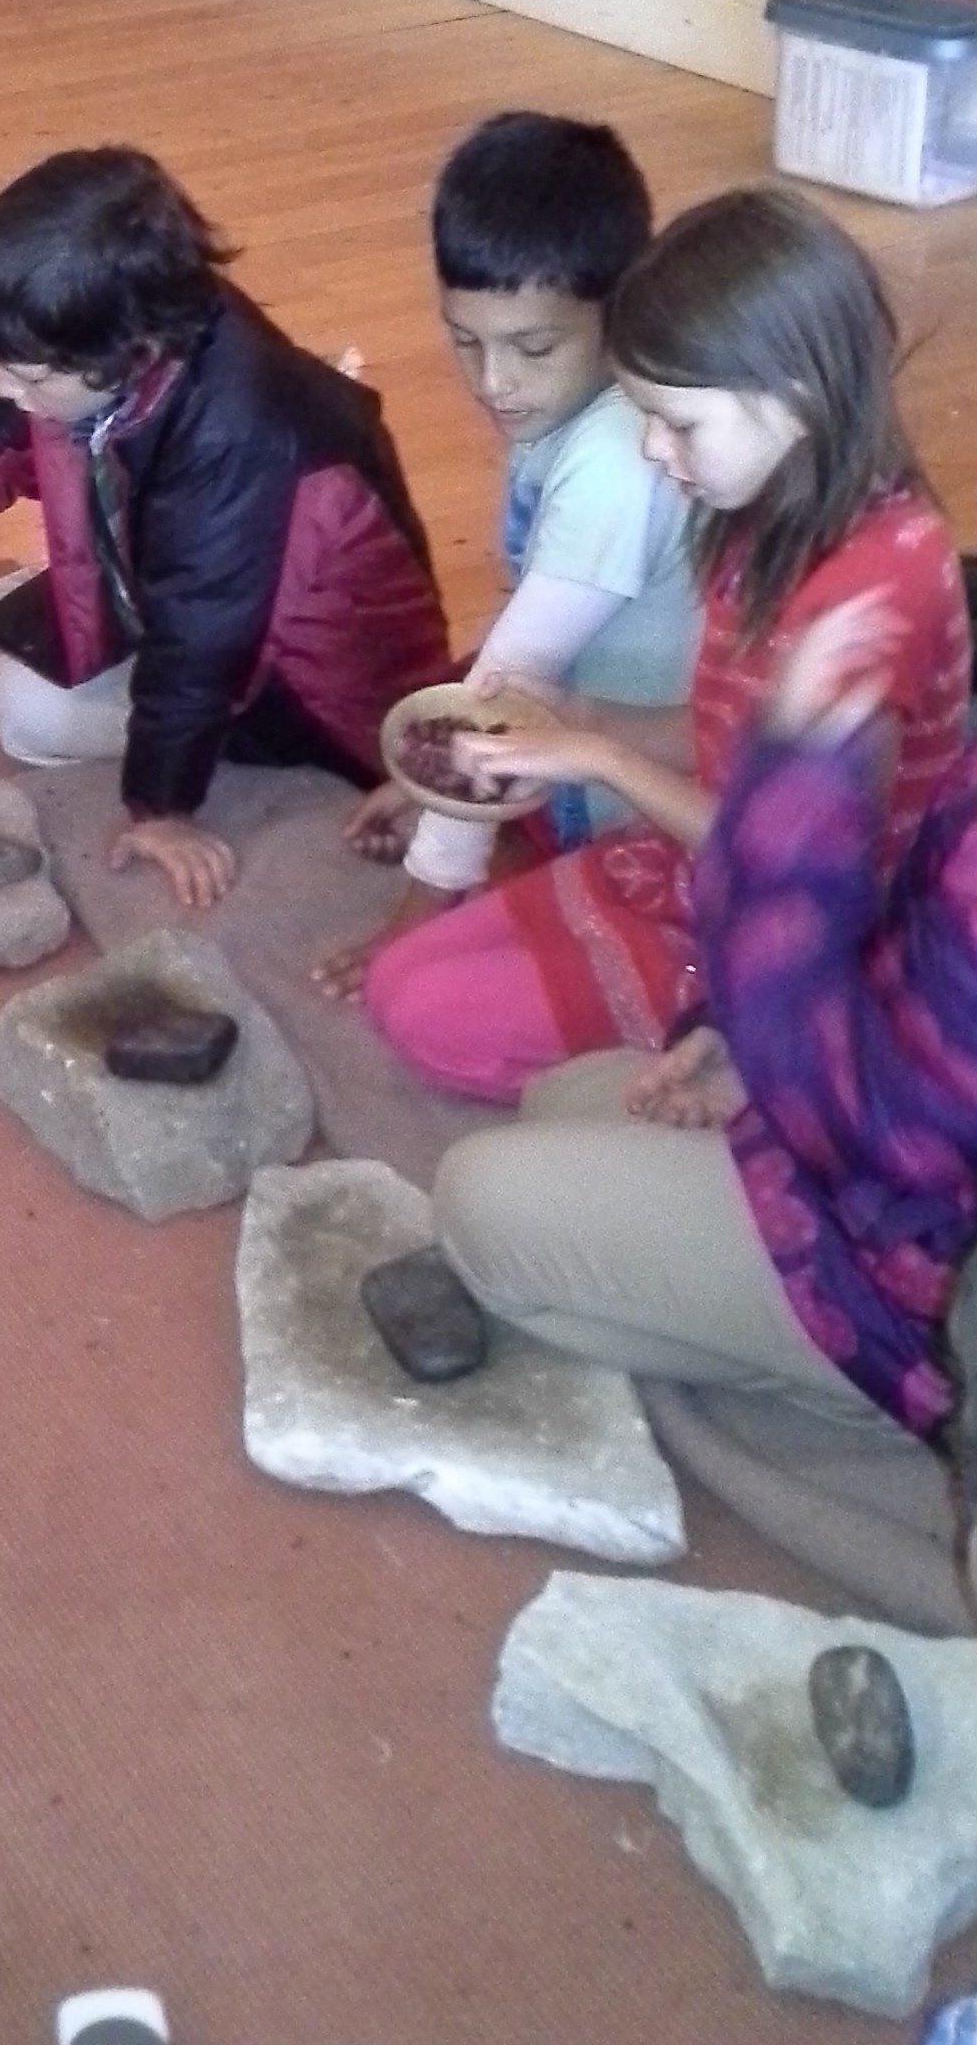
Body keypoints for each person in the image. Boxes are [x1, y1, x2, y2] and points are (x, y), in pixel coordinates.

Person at [359, 184, 970, 1101]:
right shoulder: (761, 509)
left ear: (795, 395)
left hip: (805, 943)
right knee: (398, 982)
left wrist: (601, 758)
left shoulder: (871, 605)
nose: (651, 448)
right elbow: (730, 731)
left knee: (425, 1017)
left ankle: (743, 1078)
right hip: (700, 862)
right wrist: (579, 717)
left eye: (677, 422)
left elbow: (795, 867)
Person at [430, 590, 977, 1613]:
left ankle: (890, 1386)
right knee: (563, 1099)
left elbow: (915, 1129)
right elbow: (891, 941)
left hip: (918, 1252)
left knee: (477, 1201)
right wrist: (729, 1039)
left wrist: (770, 1041)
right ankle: (819, 1354)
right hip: (858, 1127)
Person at [0, 145, 450, 906]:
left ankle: (243, 780)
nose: (4, 388)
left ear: (121, 356)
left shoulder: (241, 438)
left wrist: (160, 807)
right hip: (172, 592)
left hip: (300, 698)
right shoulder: (122, 335)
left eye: (25, 373)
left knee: (22, 712)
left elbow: (202, 655)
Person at [312, 111, 698, 994]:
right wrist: (425, 781)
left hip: (642, 807)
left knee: (429, 995)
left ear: (621, 309)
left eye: (532, 347)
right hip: (576, 752)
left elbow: (509, 693)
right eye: (465, 340)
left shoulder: (614, 461)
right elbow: (528, 624)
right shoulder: (568, 409)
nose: (494, 383)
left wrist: (424, 905)